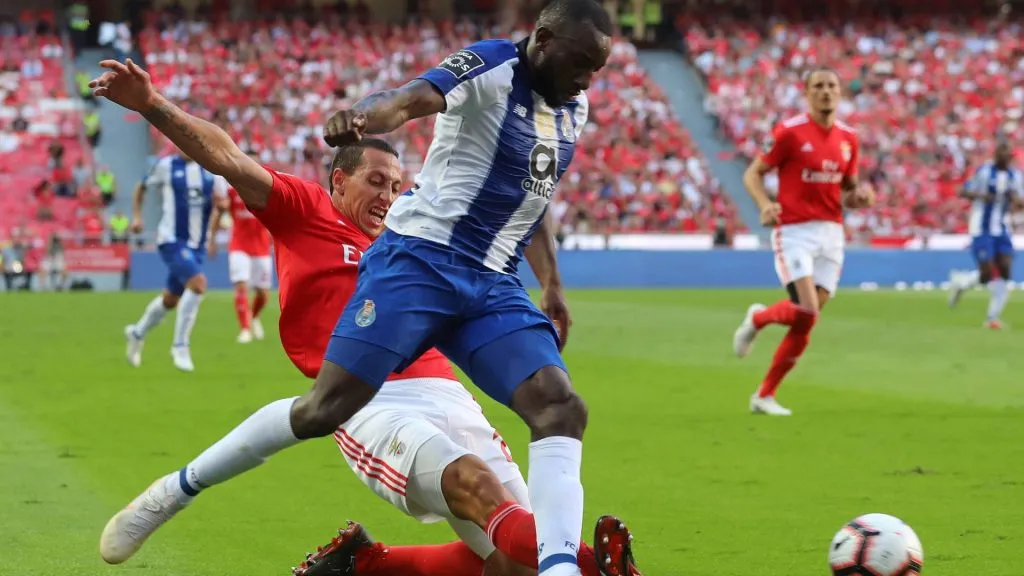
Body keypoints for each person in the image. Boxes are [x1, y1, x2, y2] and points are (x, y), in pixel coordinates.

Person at [90, 56, 639, 576]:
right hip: (368, 400)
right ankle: (172, 492)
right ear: (338, 181)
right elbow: (226, 156)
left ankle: (370, 564)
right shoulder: (304, 209)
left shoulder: (418, 228)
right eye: (376, 182)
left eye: (396, 185)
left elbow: (520, 198)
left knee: (514, 562)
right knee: (474, 486)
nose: (388, 195)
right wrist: (153, 104)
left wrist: (550, 283)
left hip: (447, 390)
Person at [732, 67, 874, 416]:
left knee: (806, 318)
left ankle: (764, 390)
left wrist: (861, 197)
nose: (826, 91)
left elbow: (848, 189)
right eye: (818, 86)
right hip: (795, 231)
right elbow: (752, 173)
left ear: (840, 92)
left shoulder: (849, 138)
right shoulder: (790, 133)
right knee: (807, 310)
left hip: (832, 234)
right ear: (807, 93)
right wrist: (765, 205)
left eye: (831, 85)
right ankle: (759, 326)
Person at [122, 151, 227, 372]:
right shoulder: (166, 165)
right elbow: (141, 186)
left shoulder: (213, 169)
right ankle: (180, 346)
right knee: (198, 284)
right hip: (171, 239)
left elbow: (222, 203)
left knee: (170, 300)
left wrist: (215, 229)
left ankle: (137, 333)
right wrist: (137, 217)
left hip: (197, 245)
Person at [947, 140, 1023, 328]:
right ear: (996, 155)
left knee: (1005, 268)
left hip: (1002, 227)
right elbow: (963, 191)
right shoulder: (984, 172)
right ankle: (961, 284)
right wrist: (982, 196)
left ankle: (992, 318)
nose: (1005, 158)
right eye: (1002, 154)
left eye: (1008, 155)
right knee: (987, 273)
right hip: (981, 227)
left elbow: (1019, 200)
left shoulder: (1015, 176)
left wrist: (1016, 200)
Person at [208, 165, 273, 344]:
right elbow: (220, 211)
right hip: (239, 246)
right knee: (241, 286)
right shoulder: (233, 192)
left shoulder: (266, 191)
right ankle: (245, 329)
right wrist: (212, 239)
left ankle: (254, 317)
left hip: (261, 248)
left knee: (263, 294)